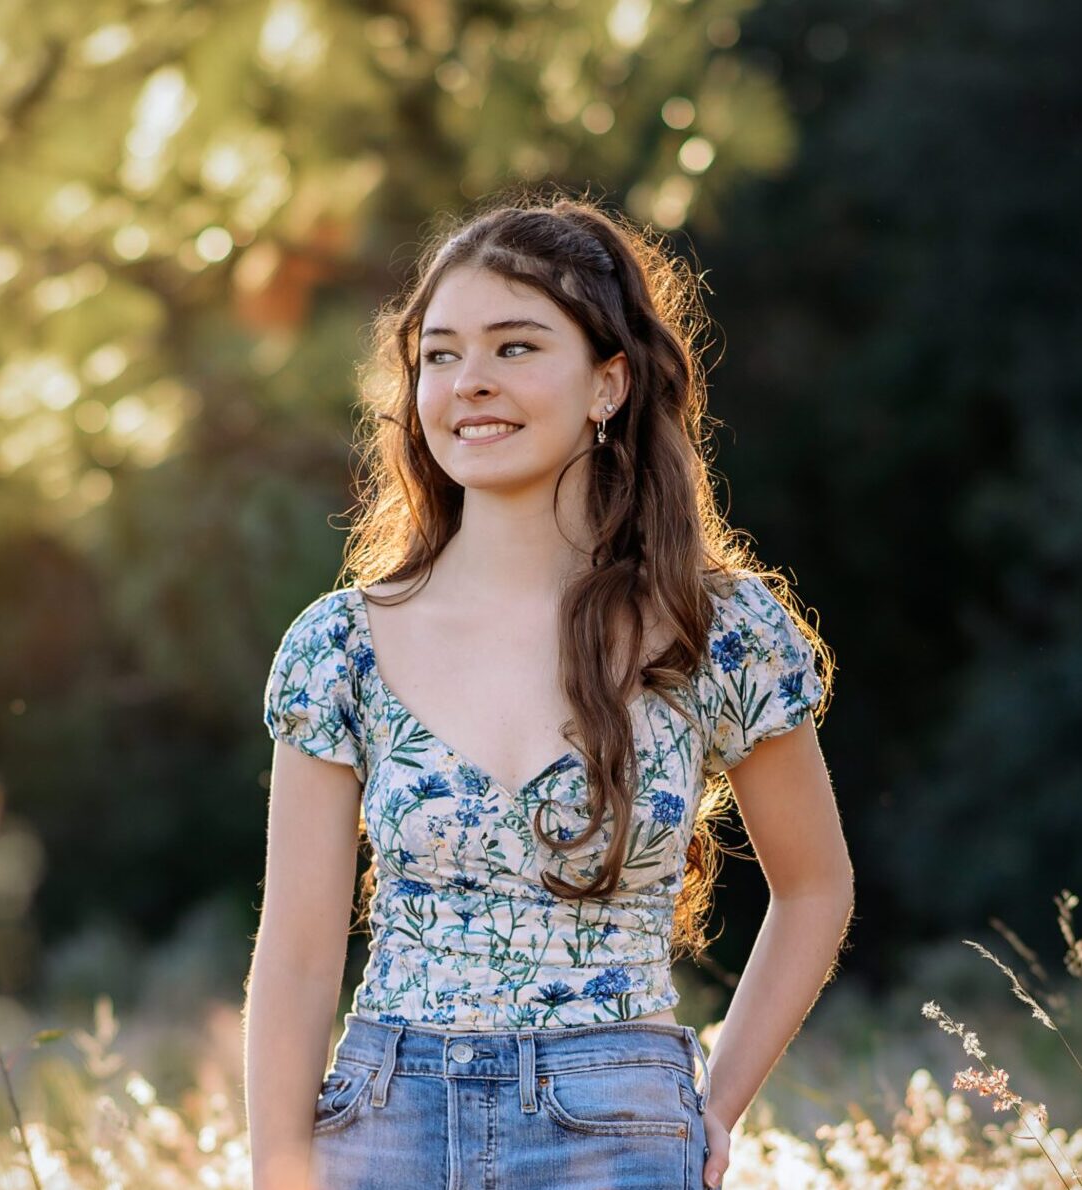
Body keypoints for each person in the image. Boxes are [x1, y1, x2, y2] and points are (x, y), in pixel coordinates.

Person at [244, 193, 854, 1190]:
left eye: (515, 347)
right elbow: (302, 951)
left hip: (617, 1121)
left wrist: (712, 1106)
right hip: (383, 1120)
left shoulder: (720, 630)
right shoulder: (338, 646)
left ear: (608, 381)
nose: (470, 382)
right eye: (440, 355)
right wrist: (279, 1166)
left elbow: (815, 884)